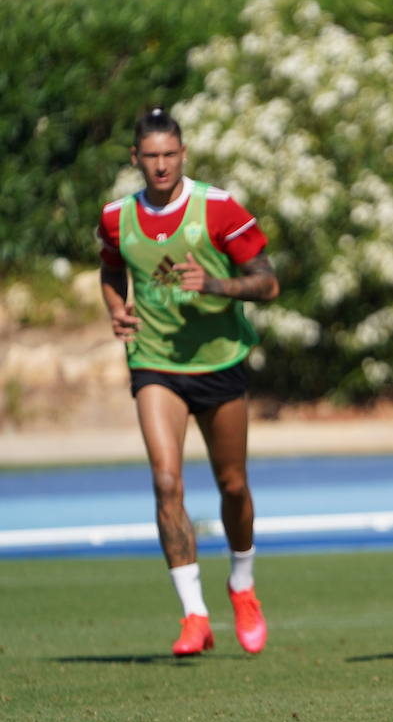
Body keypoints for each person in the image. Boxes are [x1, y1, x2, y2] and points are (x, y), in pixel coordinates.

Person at [98, 107, 279, 657]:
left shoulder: (218, 207)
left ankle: (242, 586)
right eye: (149, 156)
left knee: (232, 486)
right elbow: (111, 268)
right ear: (135, 158)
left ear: (183, 154)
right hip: (154, 363)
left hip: (219, 361)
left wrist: (218, 285)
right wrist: (116, 307)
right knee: (167, 481)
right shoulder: (115, 217)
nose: (160, 165)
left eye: (169, 155)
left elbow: (267, 284)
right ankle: (194, 614)